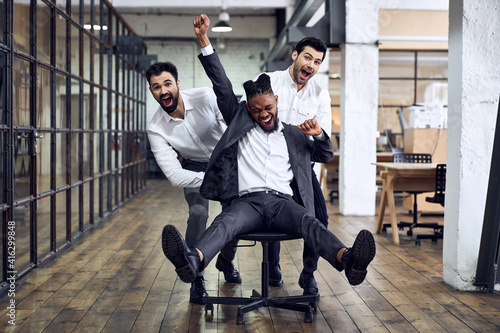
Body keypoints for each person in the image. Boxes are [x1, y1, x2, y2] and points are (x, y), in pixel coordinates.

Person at [160, 14, 376, 296]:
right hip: (246, 204)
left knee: (311, 222)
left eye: (268, 108)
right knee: (224, 224)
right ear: (248, 109)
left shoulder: (294, 134)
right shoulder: (242, 124)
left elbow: (324, 153)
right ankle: (192, 260)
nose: (263, 115)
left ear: (277, 102)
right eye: (256, 110)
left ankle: (348, 260)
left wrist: (319, 133)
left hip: (282, 202)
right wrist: (204, 40)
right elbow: (222, 85)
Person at [240, 35, 331, 294]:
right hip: (267, 165)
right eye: (307, 57)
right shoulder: (269, 81)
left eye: (317, 61)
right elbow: (247, 117)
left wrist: (318, 133)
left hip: (301, 169)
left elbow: (325, 140)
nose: (311, 65)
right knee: (272, 214)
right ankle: (272, 267)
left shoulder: (319, 95)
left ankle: (308, 274)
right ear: (295, 56)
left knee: (320, 218)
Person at [146, 61, 241, 304]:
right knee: (198, 212)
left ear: (178, 84)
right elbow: (175, 176)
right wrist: (210, 179)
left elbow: (232, 124)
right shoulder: (156, 128)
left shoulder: (205, 96)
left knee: (236, 213)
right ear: (151, 91)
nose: (163, 91)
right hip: (194, 167)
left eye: (167, 83)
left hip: (226, 159)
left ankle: (226, 261)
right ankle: (195, 276)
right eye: (156, 87)